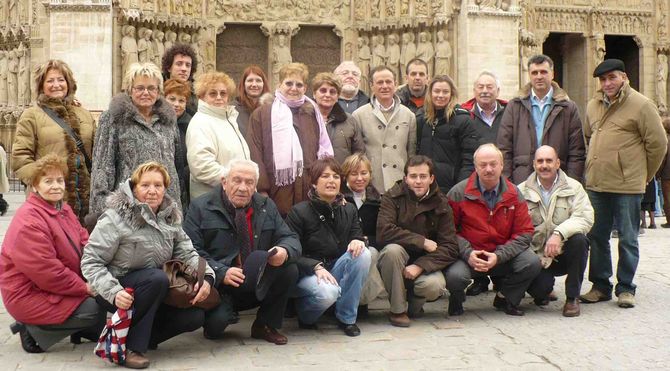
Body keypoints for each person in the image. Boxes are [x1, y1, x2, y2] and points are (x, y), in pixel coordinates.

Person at [82, 162, 213, 369]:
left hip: (153, 290)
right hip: (118, 288)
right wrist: (114, 292)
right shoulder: (115, 218)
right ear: (134, 188)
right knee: (156, 278)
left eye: (158, 185)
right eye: (145, 185)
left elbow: (187, 252)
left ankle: (141, 335)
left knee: (193, 317)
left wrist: (206, 277)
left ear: (165, 188)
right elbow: (91, 261)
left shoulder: (170, 216)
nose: (152, 191)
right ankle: (132, 348)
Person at [183, 159, 300, 345]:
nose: (243, 188)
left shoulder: (265, 205)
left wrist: (284, 250)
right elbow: (190, 250)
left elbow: (290, 237)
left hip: (256, 279)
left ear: (255, 186)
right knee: (215, 328)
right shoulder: (200, 207)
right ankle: (222, 314)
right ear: (224, 182)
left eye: (249, 182)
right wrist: (221, 272)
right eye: (237, 180)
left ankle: (265, 325)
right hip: (221, 286)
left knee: (290, 269)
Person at [580, 59, 667, 308]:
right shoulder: (593, 105)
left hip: (627, 186)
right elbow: (589, 136)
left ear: (624, 77)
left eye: (612, 78)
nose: (607, 84)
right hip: (597, 183)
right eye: (603, 79)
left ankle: (626, 287)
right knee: (597, 236)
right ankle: (600, 285)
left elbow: (658, 144)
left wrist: (644, 175)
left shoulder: (641, 105)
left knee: (628, 237)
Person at [0, 154, 105, 354]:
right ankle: (31, 329)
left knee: (103, 296)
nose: (56, 186)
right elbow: (48, 272)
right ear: (35, 186)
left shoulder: (61, 208)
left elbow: (83, 239)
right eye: (48, 181)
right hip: (28, 293)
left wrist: (101, 261)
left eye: (59, 180)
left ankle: (81, 330)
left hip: (51, 286)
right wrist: (83, 287)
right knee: (95, 308)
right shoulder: (29, 220)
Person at [445, 144, 541, 316]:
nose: (488, 169)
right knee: (455, 276)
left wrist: (499, 255)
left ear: (502, 165)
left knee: (531, 262)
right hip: (470, 255)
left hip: (501, 255)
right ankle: (457, 300)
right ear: (475, 167)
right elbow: (447, 232)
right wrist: (468, 253)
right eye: (483, 165)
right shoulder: (458, 192)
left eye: (493, 164)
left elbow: (525, 233)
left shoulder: (513, 193)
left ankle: (506, 298)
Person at [286, 157, 370, 336]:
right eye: (325, 176)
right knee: (328, 292)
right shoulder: (299, 212)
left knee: (364, 254)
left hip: (336, 267)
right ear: (315, 183)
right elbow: (291, 250)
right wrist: (314, 266)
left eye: (336, 176)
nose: (332, 181)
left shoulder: (349, 209)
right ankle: (306, 316)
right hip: (309, 273)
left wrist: (358, 241)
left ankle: (346, 318)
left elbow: (357, 234)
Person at [88, 62, 182, 223]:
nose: (146, 92)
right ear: (130, 90)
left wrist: (177, 207)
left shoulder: (168, 122)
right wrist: (100, 212)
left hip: (164, 206)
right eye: (139, 88)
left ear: (159, 91)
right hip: (128, 208)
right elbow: (102, 168)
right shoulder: (112, 119)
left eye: (151, 88)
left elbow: (174, 167)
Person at [376, 155, 459, 327]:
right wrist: (421, 241)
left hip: (425, 263)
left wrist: (420, 266)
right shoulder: (392, 197)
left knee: (434, 285)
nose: (418, 181)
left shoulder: (441, 204)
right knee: (392, 251)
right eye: (413, 176)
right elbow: (383, 231)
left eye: (423, 176)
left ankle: (415, 305)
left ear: (431, 178)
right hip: (397, 259)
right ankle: (397, 311)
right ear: (406, 178)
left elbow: (450, 247)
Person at [11, 59, 95, 223]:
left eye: (61, 79)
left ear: (69, 83)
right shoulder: (32, 115)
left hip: (86, 201)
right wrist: (44, 184)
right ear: (41, 86)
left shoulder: (85, 114)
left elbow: (97, 155)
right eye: (50, 80)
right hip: (49, 202)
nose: (56, 84)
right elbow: (21, 159)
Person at [247, 62, 334, 217]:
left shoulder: (312, 113)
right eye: (289, 83)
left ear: (305, 88)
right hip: (276, 188)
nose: (294, 88)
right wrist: (262, 190)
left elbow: (320, 148)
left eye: (299, 84)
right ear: (279, 85)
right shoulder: (262, 114)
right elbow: (255, 152)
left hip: (308, 187)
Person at [518, 146, 594, 317]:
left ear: (558, 163)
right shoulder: (521, 191)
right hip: (536, 256)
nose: (544, 165)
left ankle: (572, 298)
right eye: (540, 161)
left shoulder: (574, 188)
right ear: (534, 164)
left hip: (564, 252)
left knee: (580, 240)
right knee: (540, 291)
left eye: (549, 161)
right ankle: (544, 289)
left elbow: (585, 218)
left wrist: (559, 234)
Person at [497, 54, 585, 184]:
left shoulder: (568, 107)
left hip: (558, 180)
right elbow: (504, 148)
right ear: (529, 75)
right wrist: (507, 183)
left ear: (552, 74)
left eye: (543, 72)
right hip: (522, 180)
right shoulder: (515, 106)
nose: (539, 76)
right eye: (534, 72)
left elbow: (577, 152)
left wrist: (571, 184)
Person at [352, 65, 417, 193]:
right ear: (371, 86)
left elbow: (411, 153)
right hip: (372, 185)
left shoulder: (408, 115)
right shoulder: (359, 115)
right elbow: (358, 154)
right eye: (380, 82)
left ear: (396, 84)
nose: (385, 86)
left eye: (388, 82)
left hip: (400, 183)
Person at [186, 71, 250, 199]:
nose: (219, 97)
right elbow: (202, 167)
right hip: (213, 200)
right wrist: (237, 180)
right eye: (213, 93)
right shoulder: (201, 123)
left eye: (223, 93)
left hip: (232, 195)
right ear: (202, 97)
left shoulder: (227, 119)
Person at [416, 75, 478, 193]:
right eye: (437, 91)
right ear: (430, 93)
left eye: (445, 92)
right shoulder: (421, 119)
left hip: (451, 188)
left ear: (451, 94)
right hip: (424, 187)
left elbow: (469, 159)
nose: (440, 95)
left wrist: (460, 187)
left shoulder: (463, 120)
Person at [340, 153, 386, 313]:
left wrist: (364, 241)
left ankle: (361, 301)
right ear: (346, 175)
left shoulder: (378, 200)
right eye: (354, 174)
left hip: (369, 247)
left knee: (370, 253)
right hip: (344, 248)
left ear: (370, 174)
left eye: (364, 173)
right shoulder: (338, 199)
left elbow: (382, 234)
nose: (359, 178)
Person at [312, 72, 364, 164]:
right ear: (314, 94)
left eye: (332, 92)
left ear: (337, 97)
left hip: (341, 176)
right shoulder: (305, 119)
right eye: (323, 90)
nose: (327, 95)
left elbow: (359, 153)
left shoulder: (349, 121)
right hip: (311, 176)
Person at [164, 78, 193, 210]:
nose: (176, 104)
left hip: (185, 183)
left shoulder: (192, 125)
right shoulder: (158, 123)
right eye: (172, 99)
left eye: (181, 100)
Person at [460, 70, 508, 145]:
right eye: (480, 87)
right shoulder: (464, 115)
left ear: (498, 91)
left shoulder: (509, 113)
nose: (485, 91)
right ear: (474, 91)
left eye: (489, 87)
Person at [232, 65, 270, 138]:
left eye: (258, 81)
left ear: (264, 84)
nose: (254, 84)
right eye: (250, 80)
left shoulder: (272, 109)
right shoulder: (232, 109)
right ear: (243, 84)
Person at [161, 43, 198, 116]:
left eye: (188, 65)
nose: (184, 69)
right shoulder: (157, 89)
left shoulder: (196, 93)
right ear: (169, 67)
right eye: (179, 64)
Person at [658, 117, 670, 228]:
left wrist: (657, 174)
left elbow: (663, 159)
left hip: (667, 175)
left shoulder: (666, 141)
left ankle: (669, 220)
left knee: (667, 198)